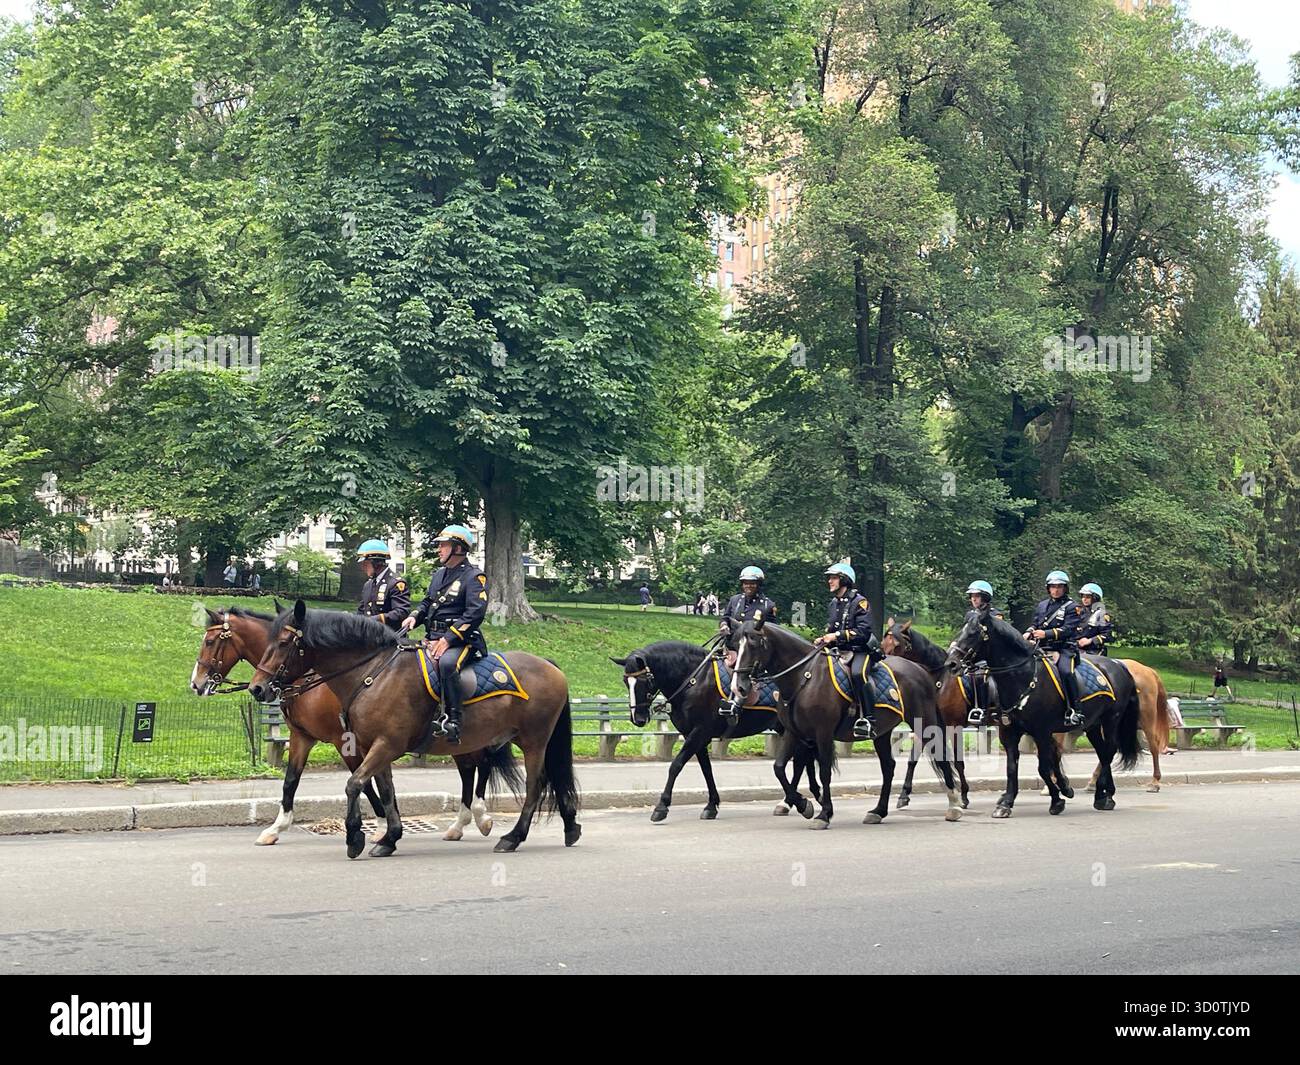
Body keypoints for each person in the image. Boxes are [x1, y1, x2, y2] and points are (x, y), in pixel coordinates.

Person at [400, 525, 486, 744]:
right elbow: (428, 602)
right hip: (432, 636)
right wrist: (414, 617)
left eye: (443, 545)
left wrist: (448, 639)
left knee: (447, 664)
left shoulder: (474, 577)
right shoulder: (439, 574)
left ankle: (455, 721)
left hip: (461, 640)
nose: (438, 549)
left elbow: (474, 613)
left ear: (457, 548)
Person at [813, 563, 883, 740]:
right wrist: (824, 639)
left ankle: (869, 720)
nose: (830, 581)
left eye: (834, 578)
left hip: (861, 650)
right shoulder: (833, 603)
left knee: (859, 674)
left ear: (844, 580)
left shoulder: (860, 602)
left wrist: (835, 636)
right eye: (830, 578)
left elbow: (863, 632)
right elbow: (832, 629)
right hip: (838, 651)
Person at [1025, 569, 1084, 727]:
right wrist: (1029, 632)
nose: (1056, 589)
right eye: (1053, 586)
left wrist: (1046, 633)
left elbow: (1068, 629)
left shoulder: (1073, 607)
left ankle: (1074, 710)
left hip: (1065, 648)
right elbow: (1035, 623)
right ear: (1048, 588)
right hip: (1043, 648)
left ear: (1065, 588)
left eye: (1059, 586)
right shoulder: (1042, 605)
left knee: (1066, 672)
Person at [717, 566, 779, 714]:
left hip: (751, 650)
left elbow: (771, 630)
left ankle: (736, 703)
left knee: (740, 669)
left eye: (752, 583)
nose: (748, 586)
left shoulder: (768, 605)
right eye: (745, 582)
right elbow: (725, 617)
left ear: (759, 584)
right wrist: (724, 625)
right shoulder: (735, 600)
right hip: (730, 645)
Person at [355, 539, 410, 630]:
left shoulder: (395, 583)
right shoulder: (368, 585)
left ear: (376, 563)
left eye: (365, 563)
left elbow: (401, 612)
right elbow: (362, 611)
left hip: (388, 637)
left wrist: (374, 620)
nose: (362, 567)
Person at [1075, 582, 1112, 656]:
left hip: (1093, 651)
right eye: (1083, 596)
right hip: (1075, 648)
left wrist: (1090, 641)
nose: (1084, 599)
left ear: (1095, 598)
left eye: (1088, 597)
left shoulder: (1101, 615)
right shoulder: (1077, 611)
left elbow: (1107, 635)